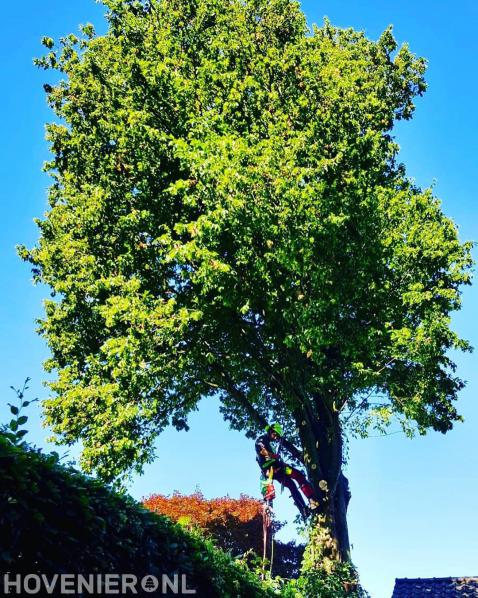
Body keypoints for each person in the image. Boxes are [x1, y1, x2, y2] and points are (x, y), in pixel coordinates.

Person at [255, 423, 319, 519]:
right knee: (294, 476)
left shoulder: (270, 442)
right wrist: (274, 456)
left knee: (293, 482)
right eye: (275, 434)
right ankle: (311, 498)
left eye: (277, 436)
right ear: (270, 431)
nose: (276, 437)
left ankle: (305, 507)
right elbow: (262, 451)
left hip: (279, 469)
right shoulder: (261, 440)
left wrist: (276, 458)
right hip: (271, 470)